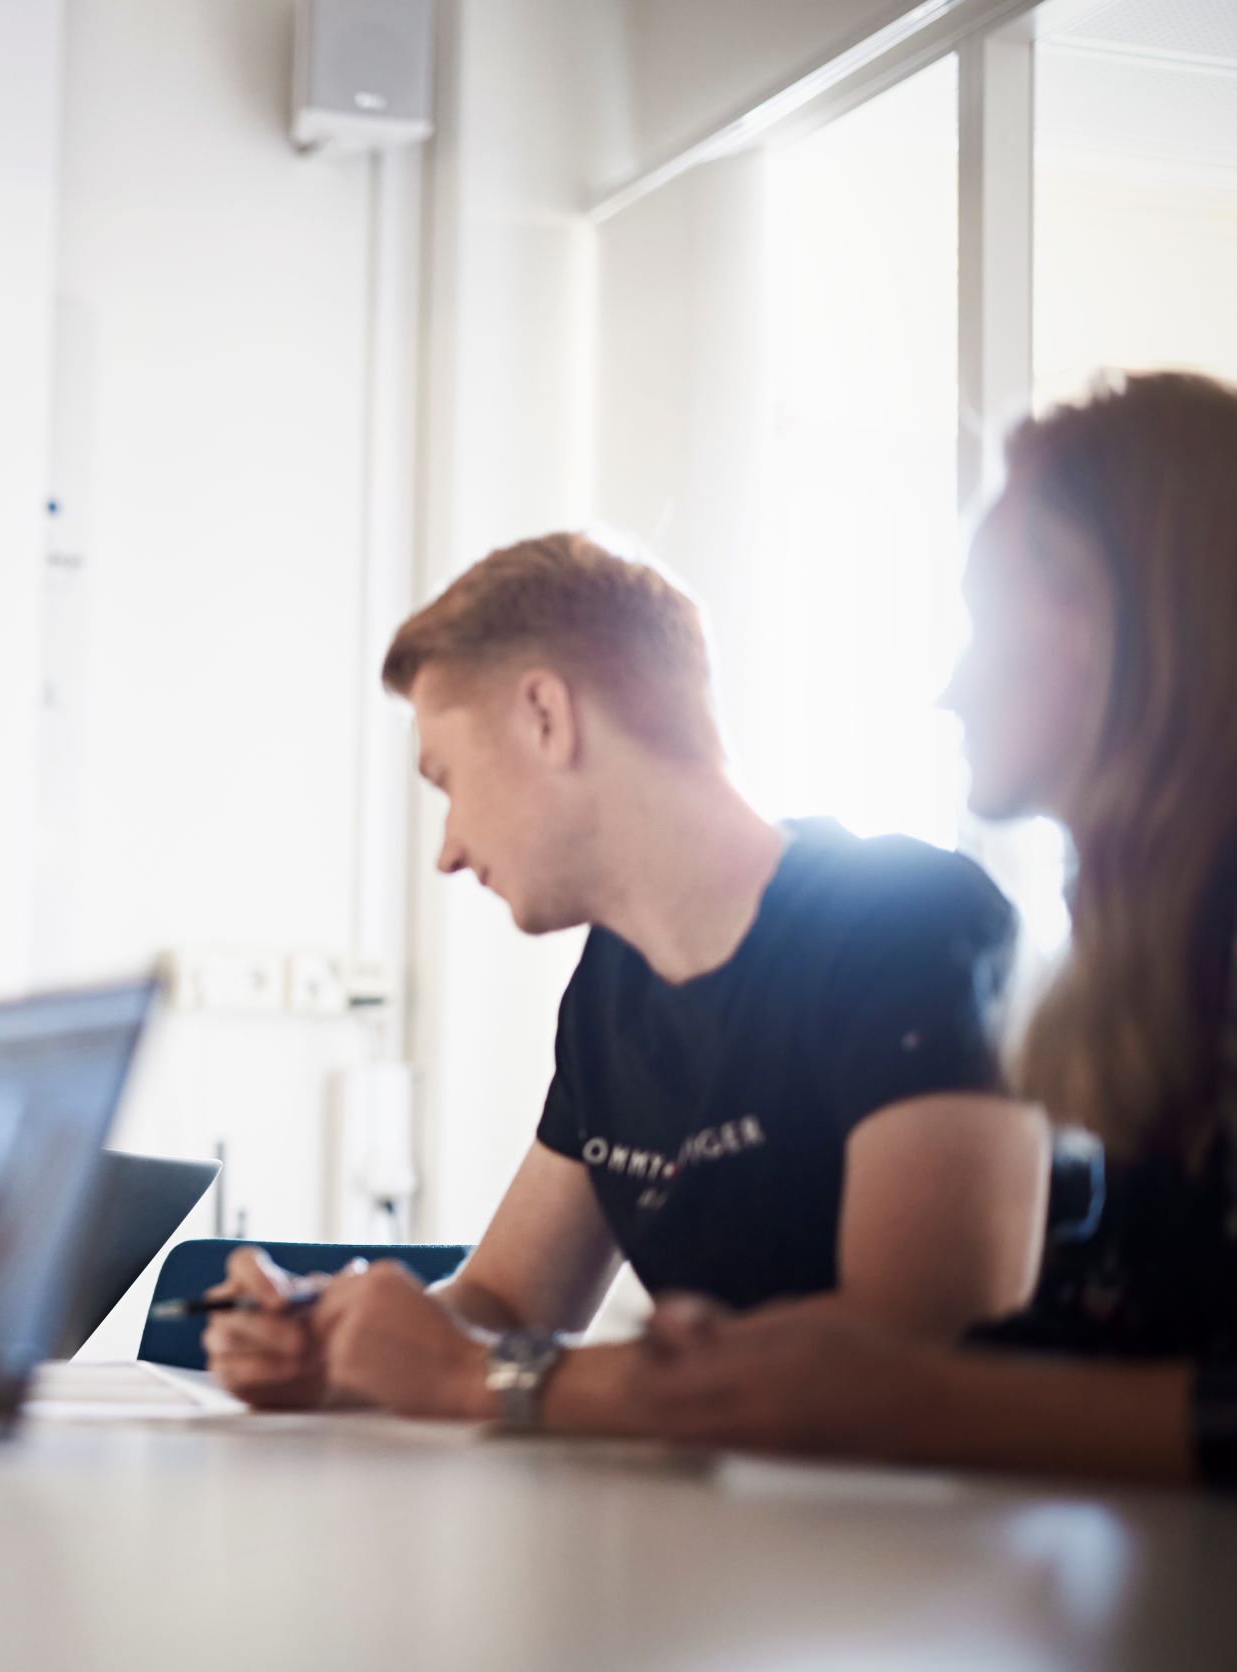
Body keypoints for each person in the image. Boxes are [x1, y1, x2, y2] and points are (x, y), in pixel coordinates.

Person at [204, 533, 1051, 1433]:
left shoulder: (910, 920)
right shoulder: (612, 987)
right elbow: (506, 1299)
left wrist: (471, 1377)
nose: (446, 850)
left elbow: (900, 1350)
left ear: (545, 717)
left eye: (445, 781)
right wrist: (337, 1351)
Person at [633, 372, 1237, 1487]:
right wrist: (782, 1369)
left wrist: (907, 1397)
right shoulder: (1157, 951)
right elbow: (1131, 1339)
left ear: (1100, 618)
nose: (945, 693)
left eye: (978, 618)